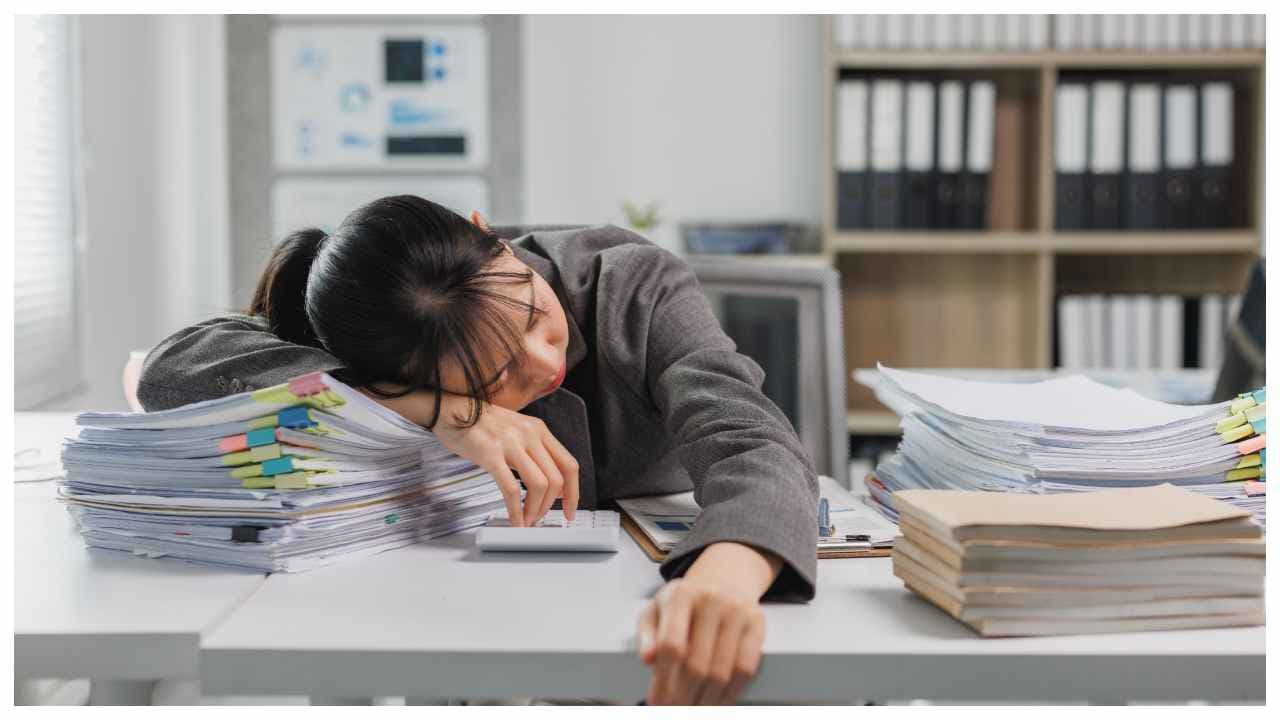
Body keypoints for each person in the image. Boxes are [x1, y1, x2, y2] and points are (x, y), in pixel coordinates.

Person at [137, 196, 819, 705]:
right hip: (461, 600)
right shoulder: (392, 351)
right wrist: (439, 410)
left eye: (531, 312)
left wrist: (721, 580)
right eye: (496, 381)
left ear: (487, 231)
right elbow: (170, 369)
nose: (542, 361)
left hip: (639, 587)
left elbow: (750, 437)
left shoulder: (632, 285)